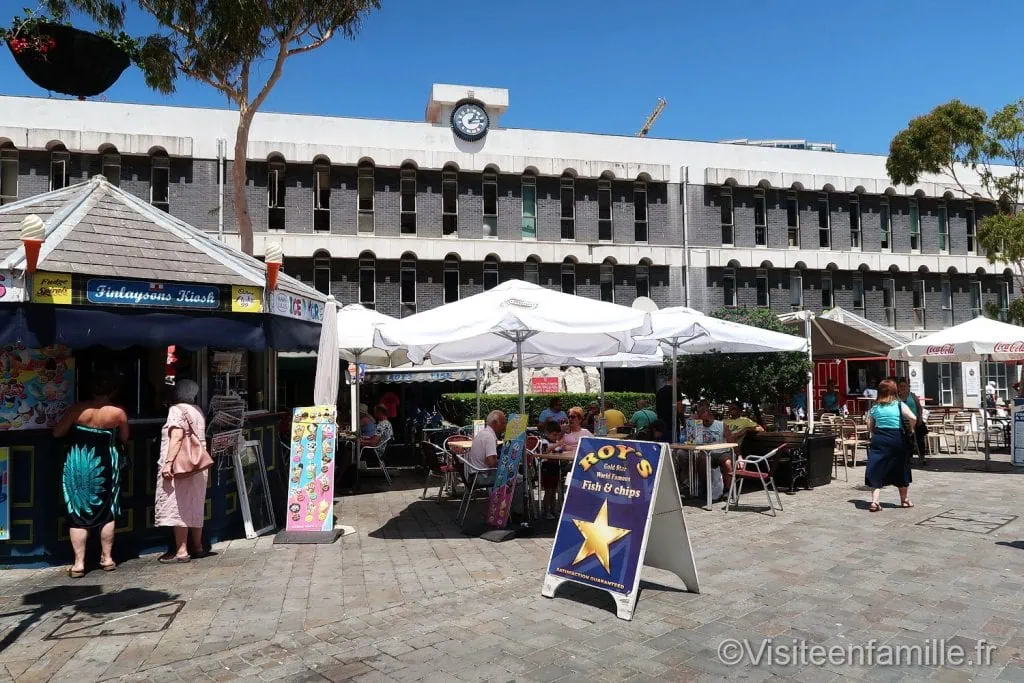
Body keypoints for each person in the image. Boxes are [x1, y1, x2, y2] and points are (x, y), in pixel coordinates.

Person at [53, 374, 129, 578]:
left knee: (77, 512)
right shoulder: (118, 412)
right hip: (106, 464)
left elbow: (57, 432)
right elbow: (124, 437)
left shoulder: (77, 410)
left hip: (79, 463)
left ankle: (79, 563)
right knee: (107, 510)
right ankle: (108, 558)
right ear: (112, 391)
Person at [156, 379, 209, 564]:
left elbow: (177, 437)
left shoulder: (176, 410)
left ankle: (181, 550)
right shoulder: (198, 410)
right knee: (196, 504)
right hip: (198, 465)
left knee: (179, 506)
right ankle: (198, 546)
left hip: (181, 466)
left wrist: (168, 463)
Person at [865, 379, 916, 512]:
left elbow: (870, 426)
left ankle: (875, 502)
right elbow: (913, 418)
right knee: (901, 467)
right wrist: (910, 430)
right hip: (897, 438)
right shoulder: (899, 405)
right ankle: (904, 500)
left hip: (880, 438)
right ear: (894, 391)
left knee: (876, 468)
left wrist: (876, 432)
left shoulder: (875, 407)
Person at [467, 410, 523, 518]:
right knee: (519, 479)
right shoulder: (489, 437)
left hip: (475, 474)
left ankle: (508, 510)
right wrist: (506, 464)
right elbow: (491, 463)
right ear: (495, 423)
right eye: (503, 423)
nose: (505, 426)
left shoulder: (482, 433)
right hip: (482, 476)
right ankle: (517, 513)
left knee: (514, 475)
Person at [689, 402, 737, 495]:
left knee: (727, 463)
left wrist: (739, 456)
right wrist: (692, 424)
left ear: (708, 413)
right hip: (706, 452)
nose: (701, 417)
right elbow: (691, 441)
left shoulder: (721, 425)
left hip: (722, 452)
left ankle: (727, 489)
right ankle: (706, 487)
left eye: (703, 413)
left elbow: (731, 442)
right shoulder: (697, 425)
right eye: (699, 414)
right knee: (701, 460)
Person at [896, 378, 928, 465]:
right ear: (898, 388)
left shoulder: (912, 396)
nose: (903, 388)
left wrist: (920, 418)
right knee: (907, 440)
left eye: (904, 386)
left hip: (915, 420)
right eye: (901, 386)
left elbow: (919, 407)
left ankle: (922, 457)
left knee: (920, 438)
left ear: (908, 387)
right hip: (903, 422)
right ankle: (909, 457)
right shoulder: (896, 398)